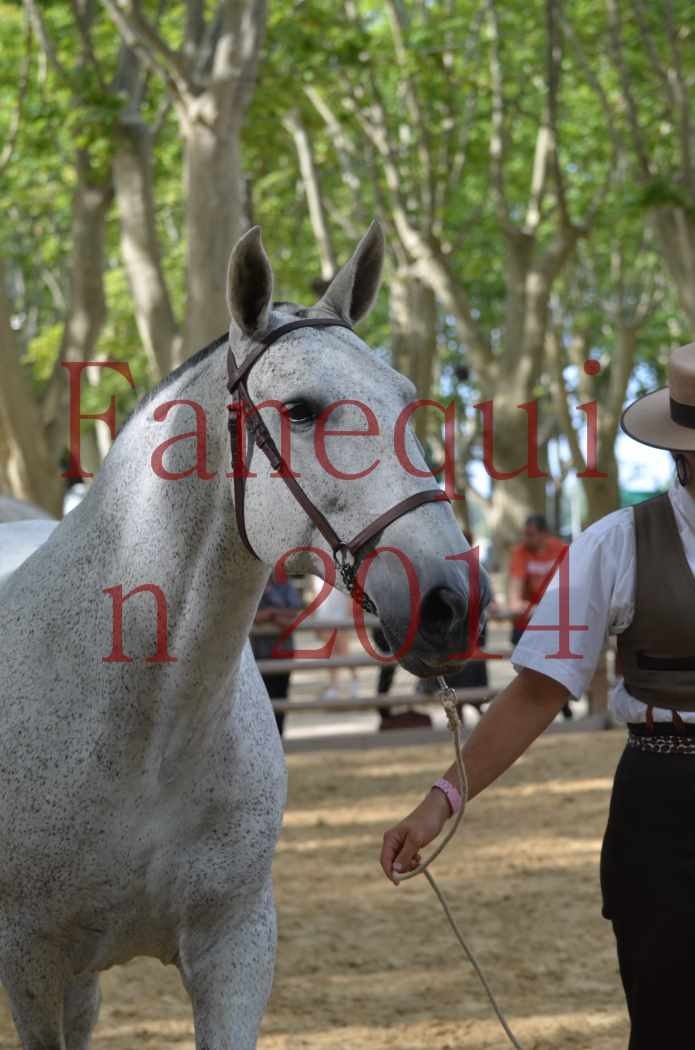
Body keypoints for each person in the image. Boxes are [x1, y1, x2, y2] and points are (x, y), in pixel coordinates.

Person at [380, 342, 695, 1050]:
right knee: (671, 1021)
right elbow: (533, 694)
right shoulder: (612, 546)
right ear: (684, 451)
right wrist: (440, 802)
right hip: (665, 803)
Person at [508, 514, 572, 719]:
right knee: (530, 666)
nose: (526, 539)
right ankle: (542, 703)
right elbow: (514, 600)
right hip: (529, 623)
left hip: (553, 620)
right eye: (524, 534)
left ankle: (559, 701)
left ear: (545, 535)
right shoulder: (520, 552)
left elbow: (572, 590)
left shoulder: (561, 549)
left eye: (531, 534)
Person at [251, 569, 304, 737]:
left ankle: (279, 736)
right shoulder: (253, 589)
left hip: (283, 653)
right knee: (260, 700)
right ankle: (263, 737)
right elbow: (252, 617)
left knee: (281, 696)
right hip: (260, 654)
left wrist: (271, 614)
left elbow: (292, 618)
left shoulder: (286, 587)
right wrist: (276, 613)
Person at [311, 581, 360, 701]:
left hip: (340, 617)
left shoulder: (340, 570)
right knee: (331, 653)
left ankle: (354, 682)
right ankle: (334, 688)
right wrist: (315, 618)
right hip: (324, 617)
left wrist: (348, 617)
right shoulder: (315, 575)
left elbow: (351, 595)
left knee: (344, 652)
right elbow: (316, 596)